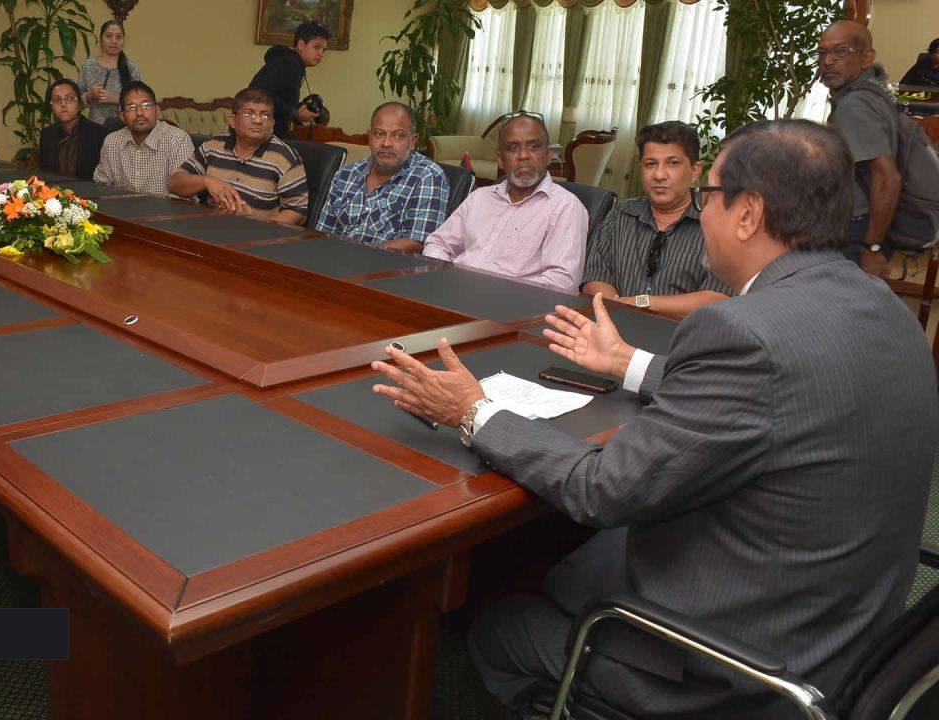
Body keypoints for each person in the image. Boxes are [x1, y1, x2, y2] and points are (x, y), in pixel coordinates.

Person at [370, 119, 937, 716]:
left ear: (748, 214)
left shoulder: (743, 333)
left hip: (735, 671)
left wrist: (471, 411)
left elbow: (601, 488)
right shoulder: (883, 307)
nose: (704, 211)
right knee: (562, 561)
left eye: (712, 194)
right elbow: (784, 392)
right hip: (848, 633)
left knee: (495, 624)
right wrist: (627, 361)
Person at [422, 113, 588, 292]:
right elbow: (438, 243)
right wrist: (446, 277)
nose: (523, 156)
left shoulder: (565, 207)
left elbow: (561, 283)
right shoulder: (480, 197)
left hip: (509, 307)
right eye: (513, 148)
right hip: (452, 291)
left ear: (548, 156)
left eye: (533, 147)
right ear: (500, 159)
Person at [580, 121, 730, 319]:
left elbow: (717, 298)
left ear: (695, 170)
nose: (659, 175)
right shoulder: (621, 215)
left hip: (685, 342)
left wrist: (640, 302)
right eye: (651, 164)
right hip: (613, 329)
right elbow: (594, 277)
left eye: (672, 163)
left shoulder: (718, 224)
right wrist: (616, 313)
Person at [818, 20, 900, 278]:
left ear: (867, 58)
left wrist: (871, 247)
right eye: (822, 53)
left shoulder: (855, 105)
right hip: (866, 227)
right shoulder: (876, 91)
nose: (828, 61)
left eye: (841, 52)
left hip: (858, 231)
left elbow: (888, 178)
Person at [314, 101, 448, 252]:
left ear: (412, 141)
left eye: (398, 136)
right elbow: (323, 231)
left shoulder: (427, 176)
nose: (386, 143)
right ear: (370, 138)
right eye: (379, 134)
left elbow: (418, 242)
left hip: (389, 269)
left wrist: (358, 254)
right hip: (335, 261)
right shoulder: (346, 174)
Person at [168, 87, 308, 225]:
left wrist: (259, 224)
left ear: (272, 124)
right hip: (212, 228)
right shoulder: (213, 146)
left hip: (260, 237)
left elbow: (298, 212)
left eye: (265, 115)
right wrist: (207, 181)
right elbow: (174, 184)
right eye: (249, 113)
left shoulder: (284, 157)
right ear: (233, 121)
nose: (258, 120)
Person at [94, 81, 194, 197]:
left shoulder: (177, 140)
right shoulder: (112, 142)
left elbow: (184, 197)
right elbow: (101, 187)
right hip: (122, 212)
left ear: (157, 111)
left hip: (165, 213)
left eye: (146, 106)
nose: (139, 113)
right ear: (122, 116)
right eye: (131, 108)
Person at [248, 21, 329, 138]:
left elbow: (276, 97)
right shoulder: (290, 65)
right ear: (301, 44)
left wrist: (300, 108)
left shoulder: (290, 62)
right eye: (317, 47)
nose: (321, 53)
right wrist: (295, 114)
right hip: (260, 133)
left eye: (324, 50)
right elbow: (257, 94)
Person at [78, 20, 142, 130]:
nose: (114, 41)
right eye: (109, 36)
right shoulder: (87, 66)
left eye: (119, 37)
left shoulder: (132, 69)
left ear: (123, 41)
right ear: (101, 39)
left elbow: (139, 102)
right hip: (93, 130)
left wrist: (116, 99)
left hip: (124, 131)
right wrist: (89, 95)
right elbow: (75, 104)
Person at [38, 79, 106, 180]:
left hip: (90, 193)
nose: (63, 104)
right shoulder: (47, 134)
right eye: (57, 100)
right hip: (54, 193)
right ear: (51, 107)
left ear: (79, 104)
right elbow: (44, 174)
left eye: (69, 98)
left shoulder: (99, 133)